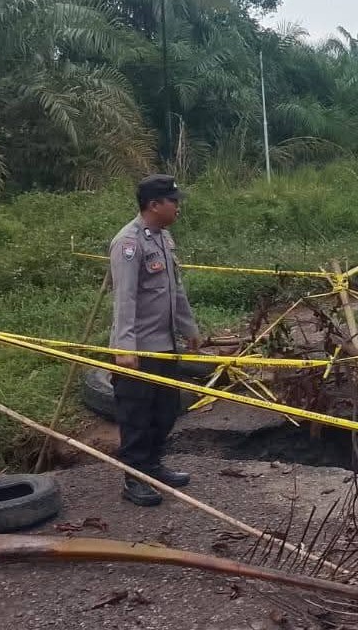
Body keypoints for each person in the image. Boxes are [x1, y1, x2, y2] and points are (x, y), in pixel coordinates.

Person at [108, 174, 202, 507]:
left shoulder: (163, 238)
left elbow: (175, 289)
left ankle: (153, 466)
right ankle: (134, 478)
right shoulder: (128, 243)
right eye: (173, 202)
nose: (178, 207)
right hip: (139, 348)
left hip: (165, 345)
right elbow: (125, 299)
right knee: (136, 416)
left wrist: (189, 328)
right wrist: (124, 348)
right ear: (154, 205)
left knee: (166, 411)